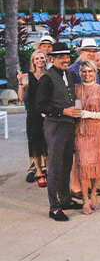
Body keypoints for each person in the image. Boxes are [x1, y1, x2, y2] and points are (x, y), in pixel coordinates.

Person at [37, 43, 83, 221]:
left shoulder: (69, 74)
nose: (65, 60)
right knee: (55, 167)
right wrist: (63, 111)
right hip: (55, 126)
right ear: (52, 59)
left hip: (69, 126)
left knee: (66, 165)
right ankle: (54, 207)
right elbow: (40, 106)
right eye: (61, 57)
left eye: (67, 56)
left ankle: (65, 199)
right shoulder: (46, 79)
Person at [74, 61, 100, 214]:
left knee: (96, 166)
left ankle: (94, 193)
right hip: (81, 130)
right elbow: (75, 108)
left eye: (90, 71)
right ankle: (85, 199)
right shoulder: (76, 89)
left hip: (97, 131)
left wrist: (90, 114)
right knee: (83, 166)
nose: (87, 74)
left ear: (95, 72)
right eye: (84, 71)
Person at [18, 50, 48, 188]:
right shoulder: (28, 76)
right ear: (33, 61)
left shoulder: (49, 75)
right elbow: (22, 97)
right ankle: (39, 171)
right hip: (33, 113)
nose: (40, 60)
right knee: (35, 142)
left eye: (42, 57)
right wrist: (20, 84)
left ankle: (48, 169)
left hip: (47, 112)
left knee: (48, 142)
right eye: (37, 58)